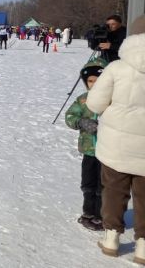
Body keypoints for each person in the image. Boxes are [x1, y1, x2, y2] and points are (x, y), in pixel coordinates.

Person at [87, 15, 145, 261]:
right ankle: (143, 246)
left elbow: (95, 103)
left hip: (117, 144)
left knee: (113, 191)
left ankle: (111, 238)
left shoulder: (116, 68)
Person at [65, 57, 108, 231]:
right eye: (90, 81)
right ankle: (88, 212)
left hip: (107, 152)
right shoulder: (83, 100)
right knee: (88, 183)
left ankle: (101, 215)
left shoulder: (112, 100)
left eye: (98, 80)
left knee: (103, 185)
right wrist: (82, 122)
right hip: (89, 150)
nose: (94, 84)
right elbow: (70, 116)